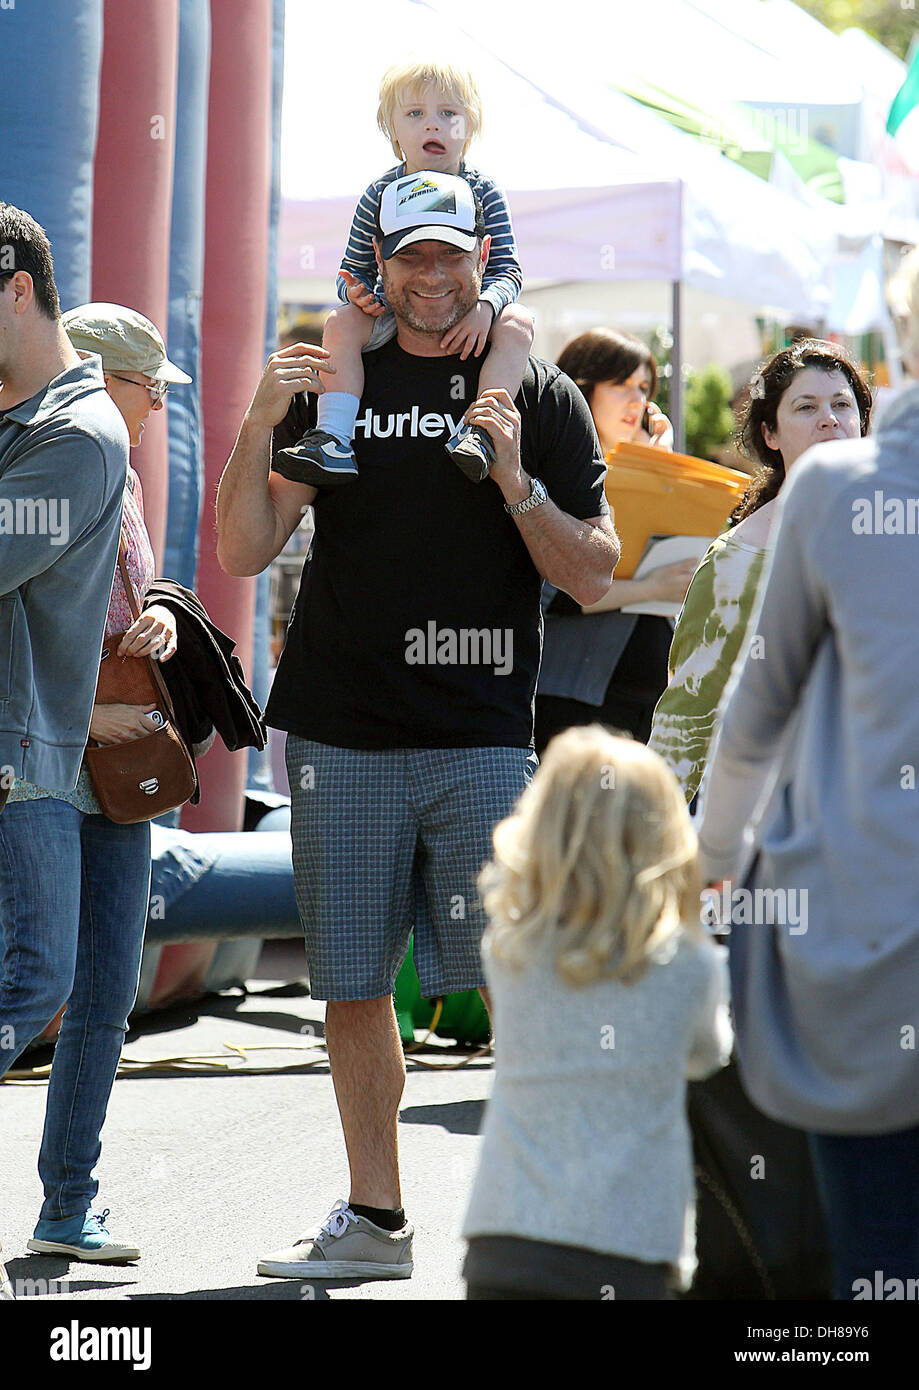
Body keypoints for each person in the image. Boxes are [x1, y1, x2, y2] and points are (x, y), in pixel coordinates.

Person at [216, 171, 618, 1282]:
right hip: (341, 730)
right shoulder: (332, 374)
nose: (431, 279)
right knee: (351, 983)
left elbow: (592, 574)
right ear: (378, 265)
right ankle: (375, 1222)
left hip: (481, 728)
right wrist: (258, 417)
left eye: (451, 257)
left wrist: (517, 485)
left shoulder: (533, 387)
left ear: (480, 259)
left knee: (512, 974)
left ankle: (566, 1214)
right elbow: (245, 549)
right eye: (411, 259)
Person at [694, 372, 919, 1300]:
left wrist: (706, 869)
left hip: (856, 942)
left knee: (875, 1260)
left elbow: (757, 709)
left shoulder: (840, 492)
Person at [0, 295, 190, 1267]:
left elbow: (124, 588)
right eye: (151, 386)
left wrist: (158, 611)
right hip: (44, 756)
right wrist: (83, 723)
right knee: (34, 983)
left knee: (106, 994)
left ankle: (67, 1205)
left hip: (119, 767)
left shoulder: (117, 470)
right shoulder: (53, 453)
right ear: (101, 377)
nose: (160, 406)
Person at [462, 727, 732, 1299]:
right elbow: (710, 1055)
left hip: (503, 1237)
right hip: (629, 1247)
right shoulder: (689, 967)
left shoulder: (508, 950)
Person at [273, 57, 534, 488]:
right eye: (415, 114)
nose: (432, 125)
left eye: (448, 113)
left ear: (470, 128)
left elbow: (507, 269)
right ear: (393, 132)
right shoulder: (378, 194)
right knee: (340, 322)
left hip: (471, 316)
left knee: (520, 322)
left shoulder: (483, 191)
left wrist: (486, 307)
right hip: (392, 314)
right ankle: (333, 437)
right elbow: (351, 272)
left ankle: (483, 432)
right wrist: (356, 296)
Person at [649, 341, 872, 802]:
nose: (829, 418)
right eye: (806, 406)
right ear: (771, 434)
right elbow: (687, 717)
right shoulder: (737, 559)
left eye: (842, 404)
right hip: (778, 822)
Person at [534, 328, 698, 754]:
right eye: (620, 385)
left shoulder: (643, 464)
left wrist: (657, 471)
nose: (636, 400)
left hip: (649, 699)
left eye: (643, 387)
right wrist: (653, 588)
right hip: (576, 698)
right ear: (580, 389)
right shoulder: (556, 478)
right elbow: (560, 591)